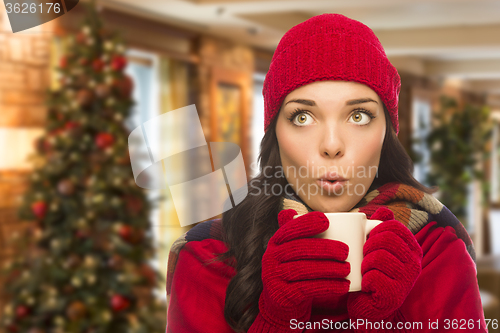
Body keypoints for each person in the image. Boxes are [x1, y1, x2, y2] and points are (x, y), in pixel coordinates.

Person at [165, 13, 487, 332]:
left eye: (359, 115)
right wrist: (276, 322)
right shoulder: (206, 257)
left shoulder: (437, 250)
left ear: (386, 133)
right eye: (302, 117)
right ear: (274, 133)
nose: (332, 145)